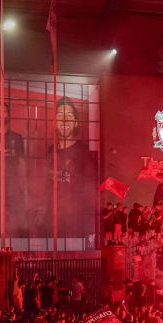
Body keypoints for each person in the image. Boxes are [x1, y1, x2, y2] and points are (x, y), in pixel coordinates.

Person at [47, 97, 97, 242]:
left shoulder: (84, 152)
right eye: (60, 115)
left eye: (69, 116)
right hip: (52, 220)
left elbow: (89, 190)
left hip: (75, 220)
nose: (64, 120)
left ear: (75, 123)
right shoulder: (51, 151)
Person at [0, 101, 27, 237]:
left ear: (9, 115)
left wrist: (23, 188)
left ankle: (18, 254)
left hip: (13, 189)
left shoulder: (17, 138)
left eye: (4, 111)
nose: (2, 114)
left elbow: (21, 164)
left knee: (16, 224)